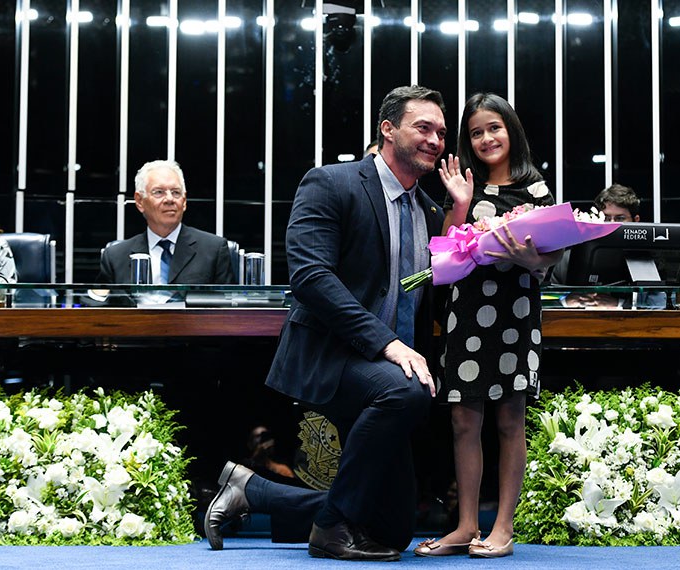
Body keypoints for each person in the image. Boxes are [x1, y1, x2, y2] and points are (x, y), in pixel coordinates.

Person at [204, 85, 447, 561]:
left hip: (385, 368)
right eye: (423, 127)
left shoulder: (429, 210)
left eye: (441, 131)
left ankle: (253, 493)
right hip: (332, 355)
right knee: (407, 391)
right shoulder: (331, 182)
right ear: (388, 129)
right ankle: (329, 528)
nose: (435, 139)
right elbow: (311, 277)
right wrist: (388, 346)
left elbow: (422, 291)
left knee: (392, 529)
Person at [413, 93, 562, 559]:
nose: (486, 138)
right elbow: (441, 253)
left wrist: (528, 258)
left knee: (509, 420)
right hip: (464, 312)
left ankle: (503, 528)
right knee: (462, 419)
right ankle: (465, 526)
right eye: (476, 132)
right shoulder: (463, 184)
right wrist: (459, 203)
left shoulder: (537, 190)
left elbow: (550, 264)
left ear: (510, 130)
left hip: (514, 313)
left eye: (493, 128)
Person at [96, 160, 234, 284]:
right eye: (159, 192)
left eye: (175, 192)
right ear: (139, 201)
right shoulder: (115, 256)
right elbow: (95, 304)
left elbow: (228, 307)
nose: (169, 199)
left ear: (184, 201)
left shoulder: (213, 250)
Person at [549, 183, 641, 286]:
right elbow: (551, 298)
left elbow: (655, 299)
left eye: (620, 218)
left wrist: (618, 302)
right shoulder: (568, 259)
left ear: (635, 220)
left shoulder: (643, 260)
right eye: (606, 218)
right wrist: (569, 299)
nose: (611, 223)